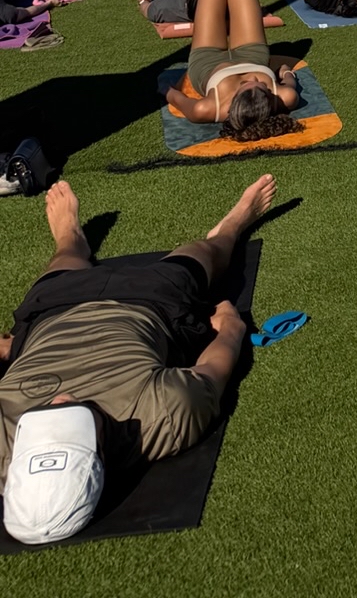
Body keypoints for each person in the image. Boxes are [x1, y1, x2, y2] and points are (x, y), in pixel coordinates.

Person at [0, 174, 275, 545]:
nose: (60, 401)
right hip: (151, 304)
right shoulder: (161, 418)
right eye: (75, 420)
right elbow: (213, 369)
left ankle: (70, 238)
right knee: (202, 254)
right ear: (99, 466)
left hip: (52, 314)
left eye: (43, 418)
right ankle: (230, 226)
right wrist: (229, 328)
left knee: (65, 259)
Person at [164, 0, 302, 140]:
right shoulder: (284, 98)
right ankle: (227, 12)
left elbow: (175, 98)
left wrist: (167, 89)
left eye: (245, 84)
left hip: (207, 61)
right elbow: (290, 82)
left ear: (232, 102)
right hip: (251, 55)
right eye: (262, 85)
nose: (252, 78)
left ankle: (188, 1)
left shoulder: (207, 109)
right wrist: (286, 72)